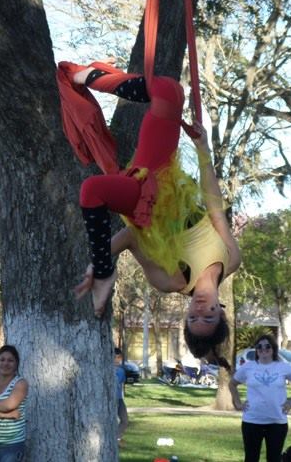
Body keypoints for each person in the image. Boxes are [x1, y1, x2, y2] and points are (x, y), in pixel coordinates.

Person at [57, 59, 241, 361]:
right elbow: (214, 206)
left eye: (193, 320)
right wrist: (203, 150)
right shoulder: (231, 260)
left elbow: (130, 237)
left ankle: (104, 275)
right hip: (162, 173)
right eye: (208, 318)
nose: (199, 312)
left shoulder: (171, 281)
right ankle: (84, 77)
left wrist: (100, 264)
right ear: (221, 314)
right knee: (169, 92)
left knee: (92, 190)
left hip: (142, 203)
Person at [228, 334, 291, 462]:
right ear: (256, 350)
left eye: (267, 346)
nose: (263, 349)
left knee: (274, 458)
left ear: (273, 349)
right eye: (259, 347)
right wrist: (237, 402)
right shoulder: (248, 367)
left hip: (277, 421)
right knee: (251, 458)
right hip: (252, 421)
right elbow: (232, 384)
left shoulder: (283, 367)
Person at [113, 348, 128, 445]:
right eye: (115, 357)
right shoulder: (105, 370)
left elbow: (121, 384)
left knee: (125, 420)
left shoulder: (121, 371)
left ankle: (116, 438)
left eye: (119, 357)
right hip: (111, 400)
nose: (117, 359)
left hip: (119, 398)